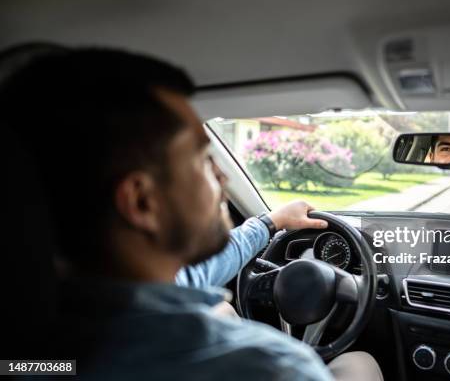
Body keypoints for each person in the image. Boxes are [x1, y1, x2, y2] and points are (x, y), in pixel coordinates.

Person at [1, 46, 383, 380]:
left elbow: (195, 273)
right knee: (360, 363)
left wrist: (270, 222)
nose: (220, 175)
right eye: (203, 159)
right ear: (141, 203)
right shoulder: (272, 367)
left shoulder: (27, 357)